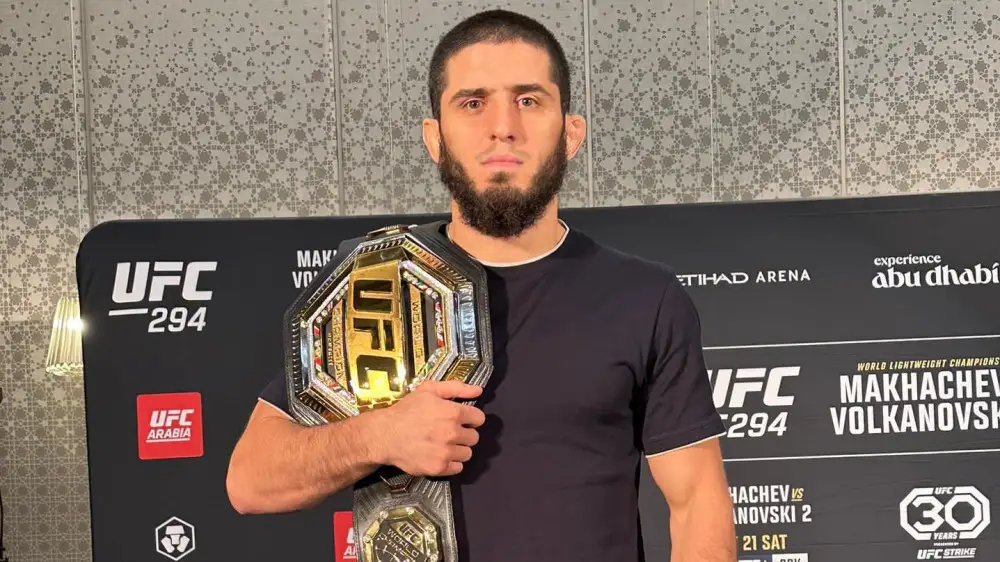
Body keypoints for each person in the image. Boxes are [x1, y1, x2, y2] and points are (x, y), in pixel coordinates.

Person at [226, 8, 736, 561]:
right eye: (473, 103)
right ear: (434, 138)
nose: (503, 127)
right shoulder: (377, 286)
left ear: (571, 133)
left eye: (529, 100)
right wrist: (381, 436)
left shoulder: (644, 298)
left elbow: (698, 504)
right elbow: (252, 481)